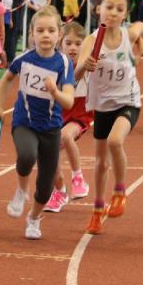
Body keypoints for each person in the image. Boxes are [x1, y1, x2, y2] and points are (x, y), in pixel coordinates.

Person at [76, 0, 143, 234]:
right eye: (109, 7)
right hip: (102, 105)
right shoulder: (91, 41)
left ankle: (120, 192)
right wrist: (85, 65)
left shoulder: (128, 33)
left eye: (119, 9)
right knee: (101, 163)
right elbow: (75, 76)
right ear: (98, 9)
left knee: (115, 141)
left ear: (125, 14)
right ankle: (97, 210)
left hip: (128, 101)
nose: (113, 13)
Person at [0, 6, 74, 239]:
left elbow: (68, 101)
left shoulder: (64, 63)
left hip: (51, 128)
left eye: (51, 30)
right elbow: (7, 78)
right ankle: (21, 190)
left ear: (59, 34)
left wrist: (55, 92)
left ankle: (34, 218)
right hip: (24, 122)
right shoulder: (24, 59)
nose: (46, 35)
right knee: (27, 155)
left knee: (46, 187)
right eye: (40, 30)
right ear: (32, 34)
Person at [44, 22, 92, 212]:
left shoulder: (87, 65)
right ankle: (60, 191)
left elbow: (79, 74)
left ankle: (78, 178)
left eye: (78, 44)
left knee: (65, 135)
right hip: (58, 115)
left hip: (80, 115)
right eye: (69, 43)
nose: (73, 48)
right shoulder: (55, 65)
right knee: (48, 152)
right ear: (61, 43)